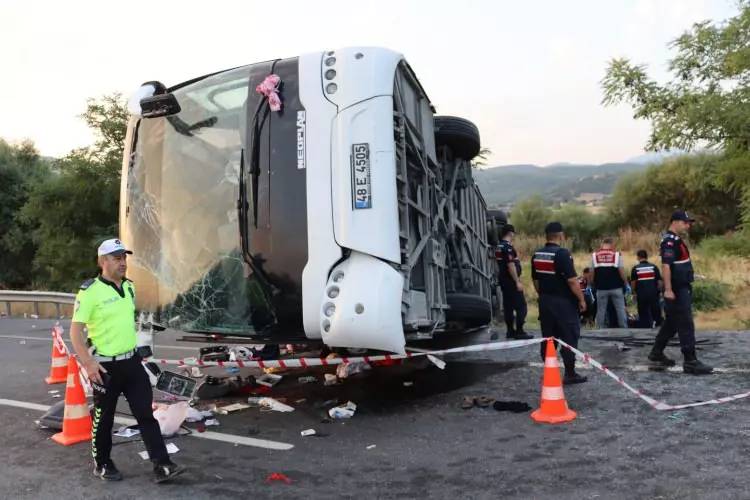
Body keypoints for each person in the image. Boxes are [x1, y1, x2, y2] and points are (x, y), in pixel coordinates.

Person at [70, 239, 185, 482]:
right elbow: (75, 331)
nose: (123, 262)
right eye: (117, 258)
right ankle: (102, 463)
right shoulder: (90, 292)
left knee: (145, 414)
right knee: (104, 419)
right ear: (103, 262)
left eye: (124, 257)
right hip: (105, 366)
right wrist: (88, 364)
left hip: (131, 363)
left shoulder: (129, 287)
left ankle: (162, 465)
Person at [648, 211, 713, 374]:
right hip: (676, 289)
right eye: (686, 222)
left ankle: (656, 352)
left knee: (671, 323)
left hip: (680, 286)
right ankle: (690, 361)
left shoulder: (676, 240)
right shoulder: (669, 241)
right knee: (685, 323)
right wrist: (668, 289)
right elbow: (666, 266)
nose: (688, 225)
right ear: (675, 222)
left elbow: (678, 264)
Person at [531, 222, 587, 385]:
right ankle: (570, 373)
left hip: (545, 301)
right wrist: (582, 299)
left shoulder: (537, 254)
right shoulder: (562, 254)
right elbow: (572, 281)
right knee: (569, 336)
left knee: (549, 338)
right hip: (563, 303)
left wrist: (542, 295)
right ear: (560, 235)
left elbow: (535, 280)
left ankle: (550, 372)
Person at [495, 224, 533, 339]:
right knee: (522, 306)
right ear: (510, 233)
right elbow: (510, 265)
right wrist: (517, 281)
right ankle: (520, 331)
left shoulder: (498, 247)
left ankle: (510, 331)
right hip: (511, 281)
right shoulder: (508, 247)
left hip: (503, 280)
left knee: (508, 307)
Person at [591, 237, 629, 328]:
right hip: (616, 287)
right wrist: (626, 283)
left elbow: (591, 271)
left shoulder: (595, 256)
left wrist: (591, 284)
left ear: (602, 244)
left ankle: (600, 330)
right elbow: (621, 271)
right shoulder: (616, 255)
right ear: (612, 244)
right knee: (620, 310)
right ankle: (624, 329)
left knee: (601, 310)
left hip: (601, 288)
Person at [630, 249, 663, 328]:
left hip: (641, 295)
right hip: (653, 294)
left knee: (643, 313)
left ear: (638, 257)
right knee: (655, 311)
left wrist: (633, 293)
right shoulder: (654, 267)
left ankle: (645, 328)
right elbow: (660, 282)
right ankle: (658, 325)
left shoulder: (635, 268)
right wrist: (660, 292)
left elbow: (633, 283)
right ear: (646, 257)